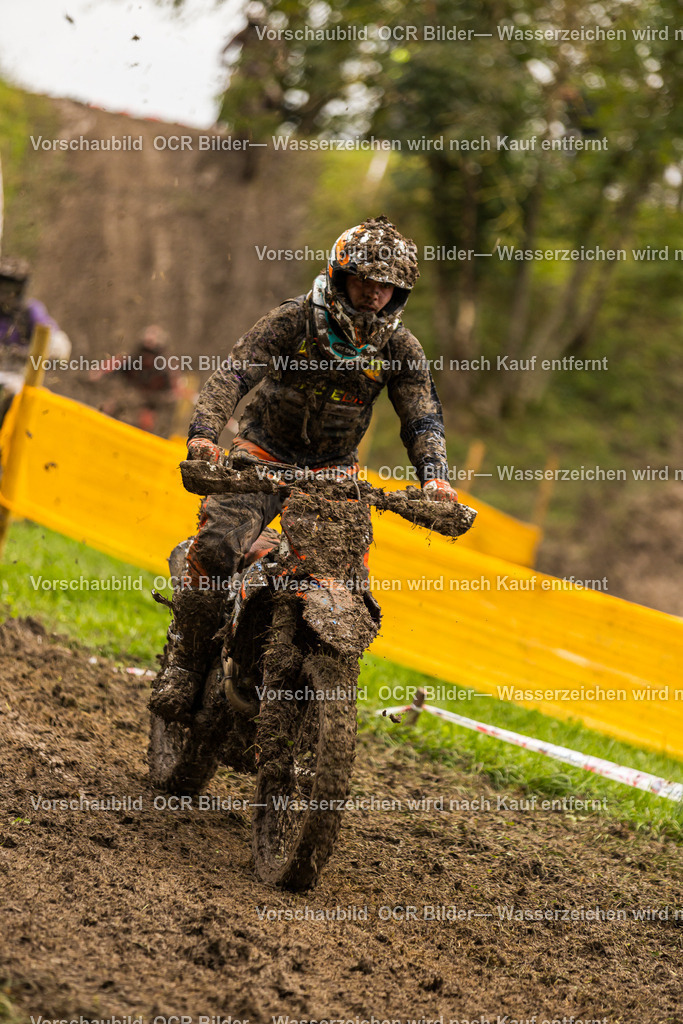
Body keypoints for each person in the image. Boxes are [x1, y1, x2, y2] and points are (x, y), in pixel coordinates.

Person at [150, 215, 457, 723]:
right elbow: (233, 373)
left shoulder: (400, 348)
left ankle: (311, 686)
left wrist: (435, 477)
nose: (374, 293)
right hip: (261, 455)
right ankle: (184, 662)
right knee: (217, 546)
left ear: (400, 293)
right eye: (364, 279)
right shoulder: (292, 321)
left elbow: (422, 415)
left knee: (346, 577)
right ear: (339, 275)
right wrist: (204, 436)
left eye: (388, 286)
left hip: (333, 473)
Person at [0, 257, 71, 423]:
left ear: (21, 288)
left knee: (16, 396)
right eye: (2, 286)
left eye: (11, 288)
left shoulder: (30, 312)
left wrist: (29, 353)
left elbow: (61, 347)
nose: (5, 294)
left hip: (16, 378)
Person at [90, 324, 180, 434]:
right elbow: (111, 366)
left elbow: (174, 393)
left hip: (150, 404)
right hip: (128, 395)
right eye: (145, 351)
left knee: (147, 420)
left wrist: (155, 400)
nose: (147, 357)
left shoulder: (167, 369)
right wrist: (100, 372)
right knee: (108, 407)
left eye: (152, 353)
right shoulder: (133, 360)